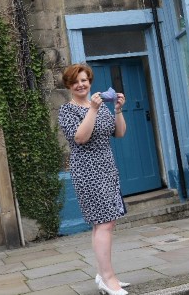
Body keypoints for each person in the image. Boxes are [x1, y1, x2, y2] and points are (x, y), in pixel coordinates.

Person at [58, 64, 129, 295]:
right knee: (104, 222)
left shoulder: (98, 105)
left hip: (107, 168)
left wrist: (117, 110)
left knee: (105, 223)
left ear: (90, 82)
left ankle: (102, 274)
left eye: (84, 80)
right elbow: (80, 137)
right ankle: (109, 279)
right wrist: (93, 110)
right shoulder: (67, 111)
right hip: (88, 172)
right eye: (76, 81)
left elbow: (118, 133)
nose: (81, 84)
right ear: (69, 86)